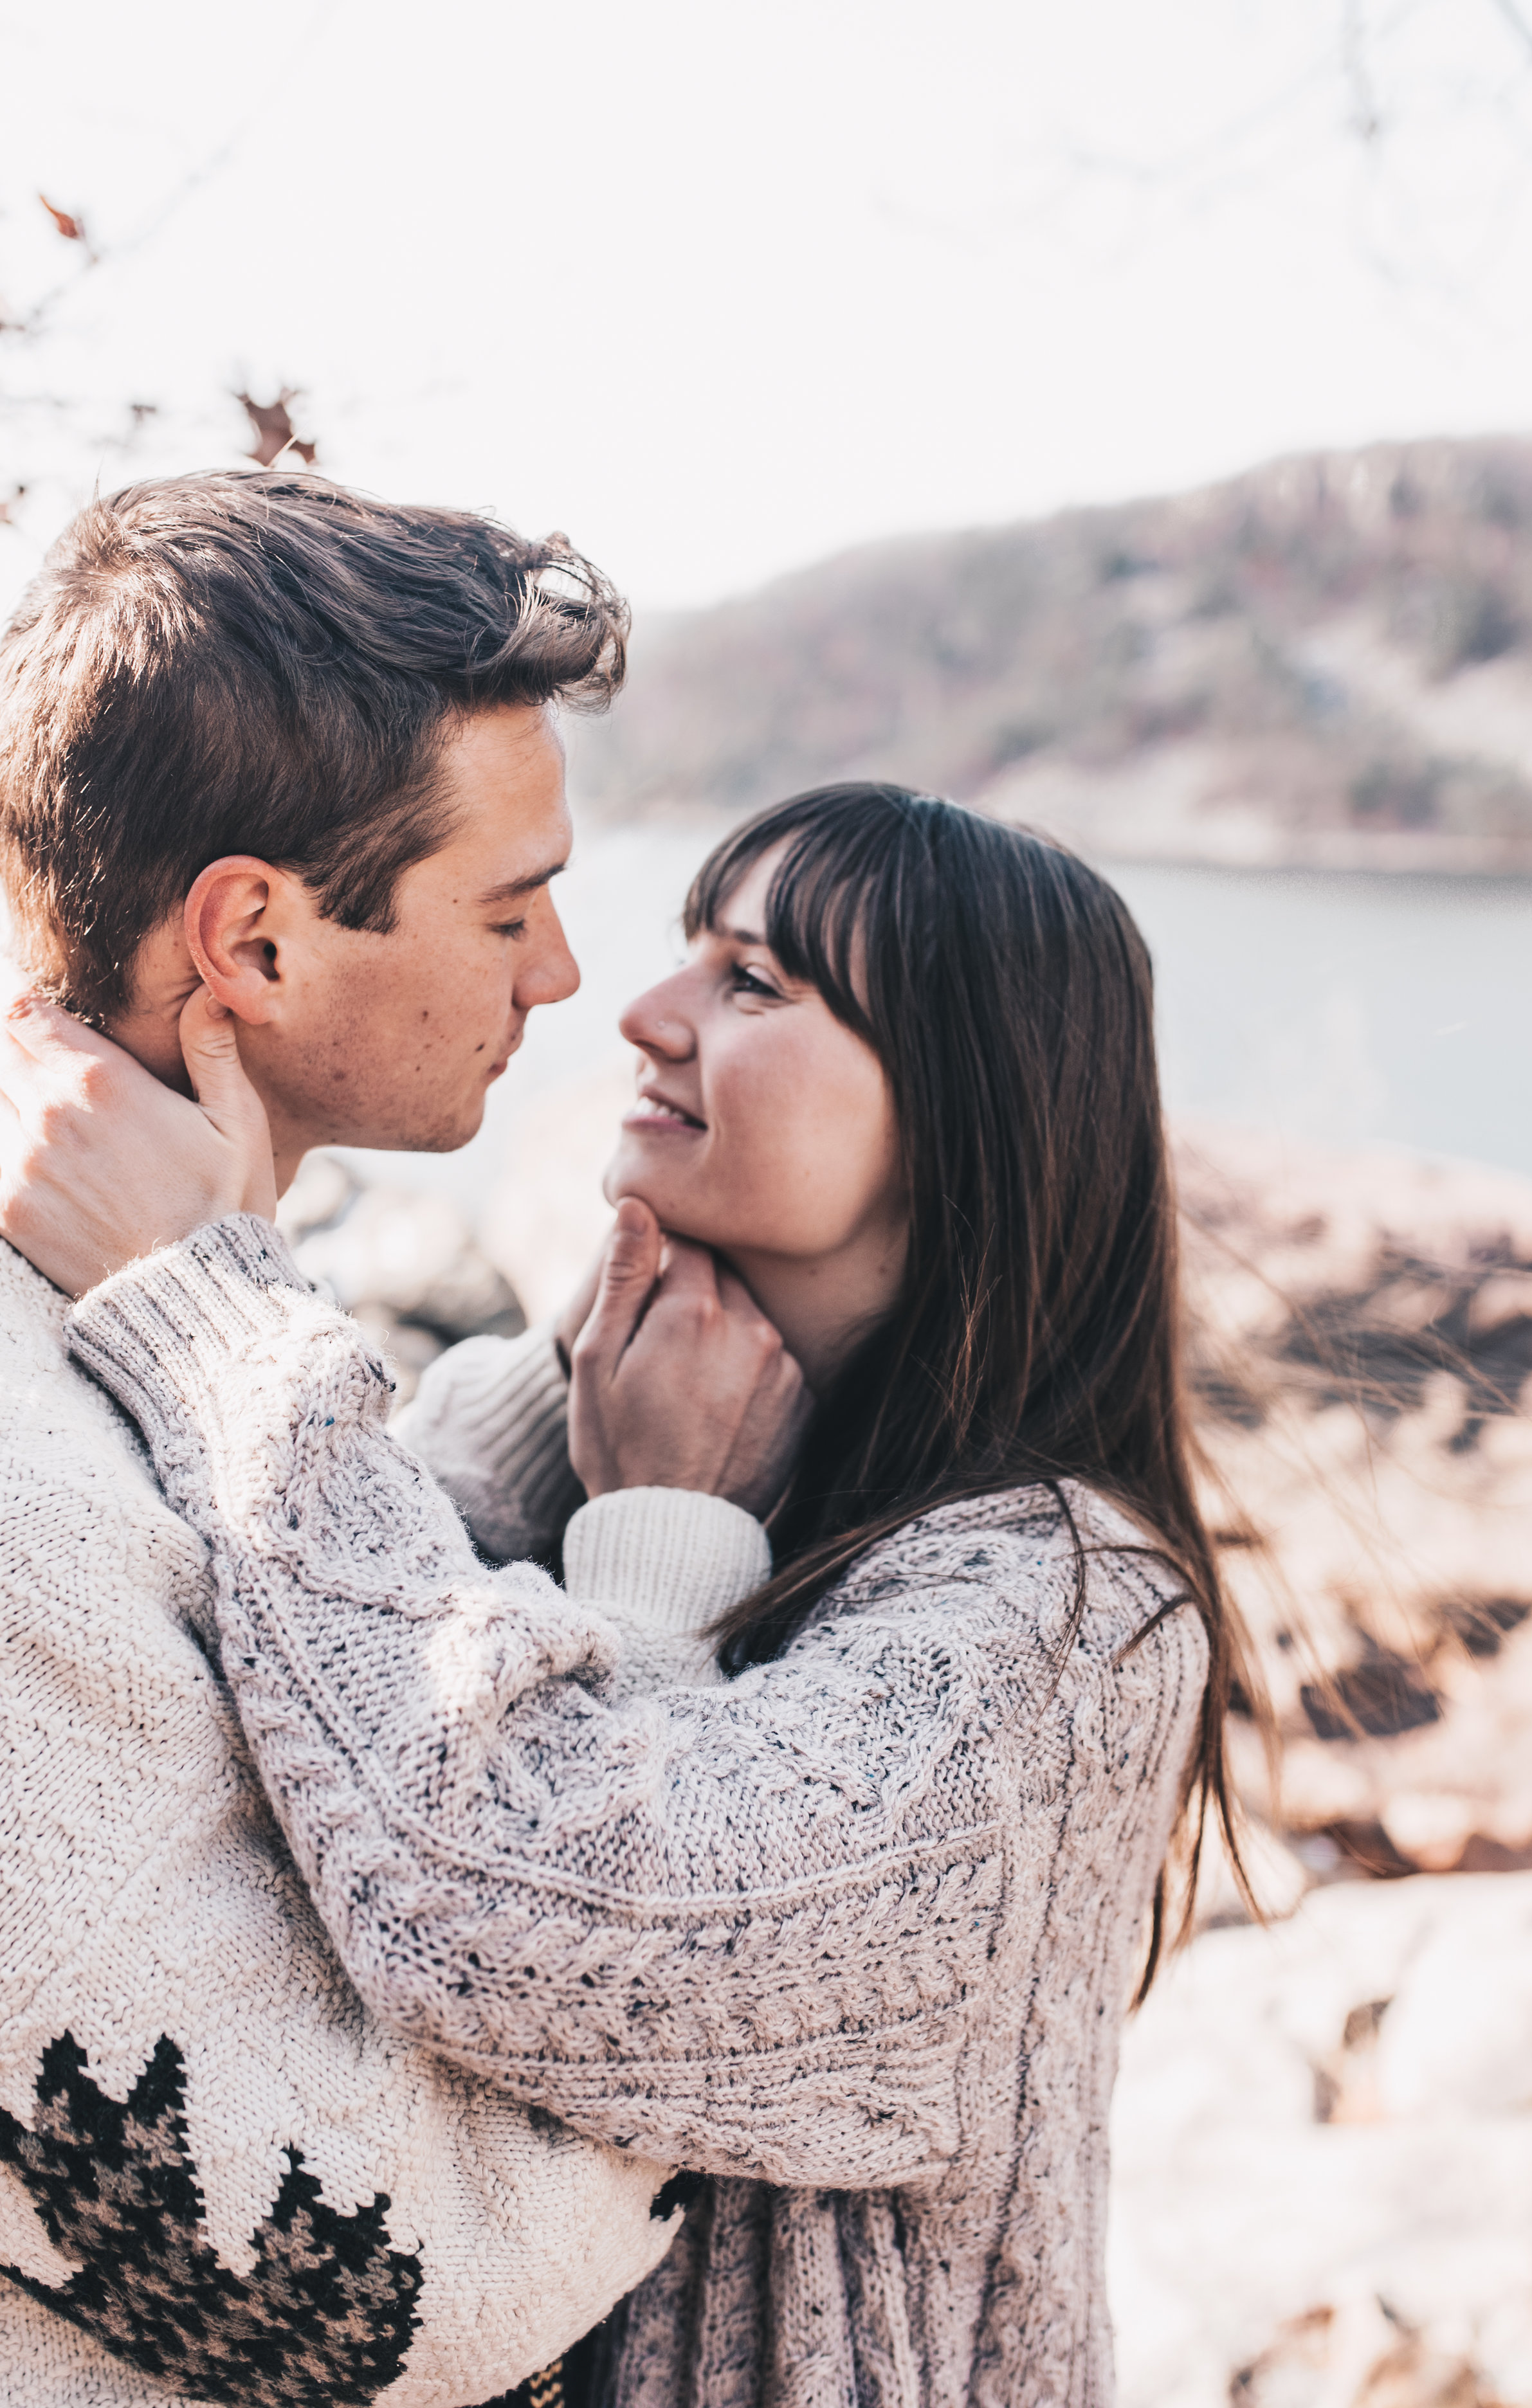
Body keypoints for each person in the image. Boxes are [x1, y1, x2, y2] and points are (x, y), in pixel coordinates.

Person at [0, 781, 1258, 2408]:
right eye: (693, 959)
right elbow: (295, 1652)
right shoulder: (592, 1426)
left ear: (960, 1108)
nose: (642, 1013)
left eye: (753, 985)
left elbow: (541, 1926)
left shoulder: (1067, 1614)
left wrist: (204, 1302)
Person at [0, 469, 805, 2408]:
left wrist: (538, 1408)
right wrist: (659, 1580)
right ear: (256, 943)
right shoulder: (21, 1484)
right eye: (510, 905)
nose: (561, 979)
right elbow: (389, 2278)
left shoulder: (136, 1323)